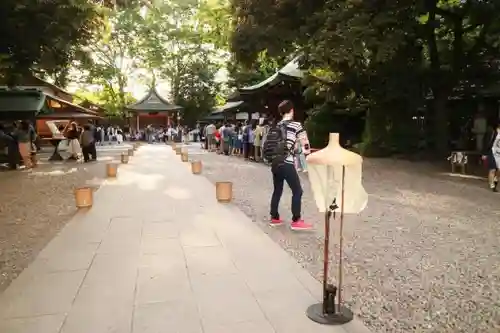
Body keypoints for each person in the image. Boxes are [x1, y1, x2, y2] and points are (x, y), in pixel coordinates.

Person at [263, 100, 312, 230]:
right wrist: (305, 153)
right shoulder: (296, 125)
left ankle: (274, 217)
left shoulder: (276, 125)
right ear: (291, 110)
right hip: (287, 162)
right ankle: (296, 220)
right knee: (297, 191)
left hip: (275, 162)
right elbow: (305, 146)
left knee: (277, 190)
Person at [483, 121, 500, 192]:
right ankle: (492, 185)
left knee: (499, 170)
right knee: (492, 169)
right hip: (492, 152)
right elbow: (486, 142)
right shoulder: (492, 133)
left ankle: (496, 179)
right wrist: (484, 153)